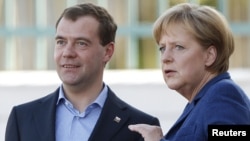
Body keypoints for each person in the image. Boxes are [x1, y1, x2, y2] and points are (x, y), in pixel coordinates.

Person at [5, 3, 160, 141]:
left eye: (81, 43)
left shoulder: (141, 128)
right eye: (61, 42)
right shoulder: (22, 118)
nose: (67, 52)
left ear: (108, 51)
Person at [128, 3, 250, 141]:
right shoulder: (203, 101)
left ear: (209, 55)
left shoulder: (224, 96)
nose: (165, 58)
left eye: (178, 47)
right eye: (162, 48)